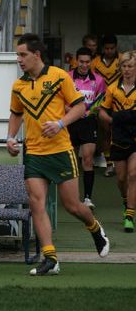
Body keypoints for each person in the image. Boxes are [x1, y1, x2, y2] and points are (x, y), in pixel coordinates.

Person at [6, 33, 110, 276]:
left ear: (36, 55)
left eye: (23, 55)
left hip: (61, 151)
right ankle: (50, 258)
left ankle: (95, 229)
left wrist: (60, 124)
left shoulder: (59, 76)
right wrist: (10, 138)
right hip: (34, 153)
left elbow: (80, 106)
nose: (19, 59)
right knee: (36, 203)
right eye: (17, 55)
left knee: (72, 206)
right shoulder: (18, 85)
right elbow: (15, 113)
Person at [99, 51, 136, 233]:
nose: (127, 70)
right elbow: (102, 112)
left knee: (133, 175)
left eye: (130, 66)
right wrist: (113, 120)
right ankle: (126, 201)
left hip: (135, 139)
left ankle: (129, 215)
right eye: (124, 66)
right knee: (121, 179)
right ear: (120, 68)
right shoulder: (112, 88)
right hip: (118, 139)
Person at [67, 47, 106, 209]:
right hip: (70, 121)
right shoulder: (67, 77)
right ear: (76, 60)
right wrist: (73, 112)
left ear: (91, 62)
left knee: (88, 160)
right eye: (81, 61)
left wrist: (89, 111)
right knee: (72, 161)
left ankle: (88, 198)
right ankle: (72, 197)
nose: (84, 65)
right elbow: (61, 99)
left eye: (87, 62)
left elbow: (100, 101)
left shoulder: (98, 80)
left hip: (89, 122)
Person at [91, 34, 121, 177]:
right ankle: (109, 164)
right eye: (107, 48)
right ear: (103, 48)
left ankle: (122, 162)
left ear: (116, 47)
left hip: (120, 101)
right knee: (105, 132)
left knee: (121, 132)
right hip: (102, 102)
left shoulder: (122, 60)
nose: (109, 51)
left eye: (112, 48)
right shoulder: (95, 62)